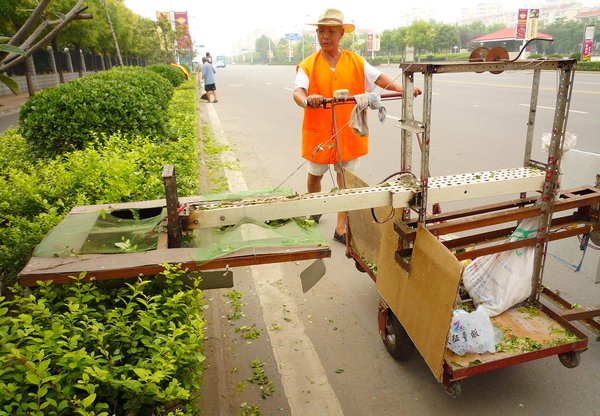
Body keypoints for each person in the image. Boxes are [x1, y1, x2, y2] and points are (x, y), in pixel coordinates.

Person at [293, 8, 421, 244]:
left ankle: (341, 227)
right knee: (315, 176)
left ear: (341, 33)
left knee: (345, 181)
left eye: (331, 32)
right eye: (321, 31)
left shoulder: (355, 60)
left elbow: (379, 78)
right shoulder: (308, 65)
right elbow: (299, 91)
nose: (325, 36)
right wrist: (307, 100)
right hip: (319, 133)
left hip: (350, 132)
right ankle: (315, 204)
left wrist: (403, 90)